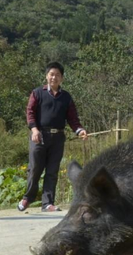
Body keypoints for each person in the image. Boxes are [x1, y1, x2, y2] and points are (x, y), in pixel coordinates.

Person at [18, 62, 88, 212]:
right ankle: (27, 198)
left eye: (57, 75)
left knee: (52, 170)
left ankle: (47, 203)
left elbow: (73, 119)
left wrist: (79, 130)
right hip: (39, 135)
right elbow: (30, 112)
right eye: (51, 74)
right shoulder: (37, 93)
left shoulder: (66, 97)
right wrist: (34, 130)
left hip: (58, 138)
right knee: (35, 168)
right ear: (46, 76)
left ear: (62, 78)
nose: (54, 77)